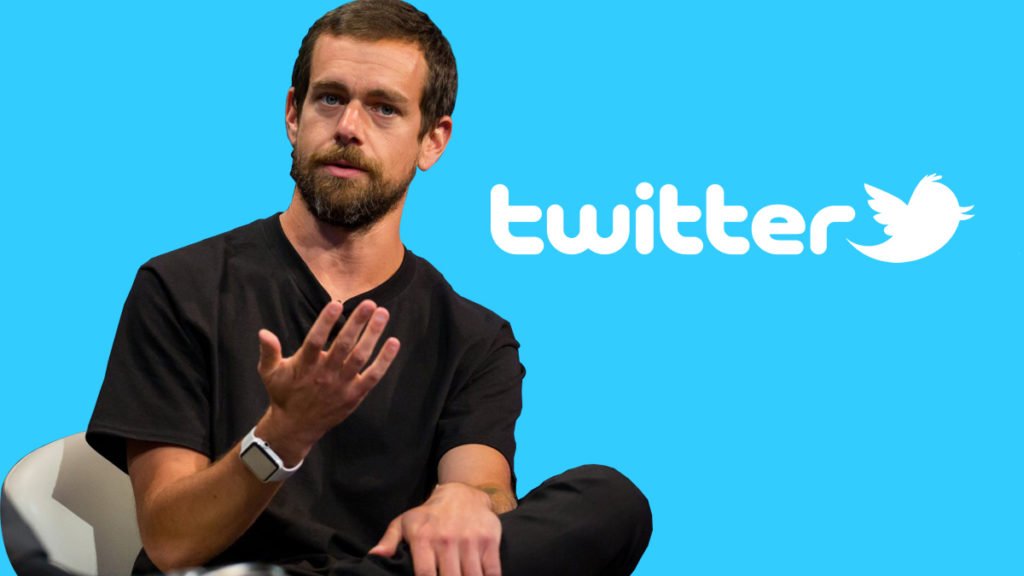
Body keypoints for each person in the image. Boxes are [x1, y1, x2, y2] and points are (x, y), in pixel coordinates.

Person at [86, 1, 652, 575]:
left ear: (433, 141)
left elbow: (483, 484)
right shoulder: (181, 288)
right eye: (330, 99)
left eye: (384, 108)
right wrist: (284, 433)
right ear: (293, 114)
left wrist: (465, 500)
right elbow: (171, 541)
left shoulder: (474, 339)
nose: (349, 128)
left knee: (610, 501)